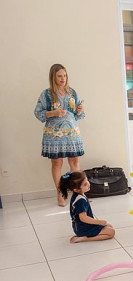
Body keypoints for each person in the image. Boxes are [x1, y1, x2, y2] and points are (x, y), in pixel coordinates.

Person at [34, 64, 86, 207]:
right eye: (59, 76)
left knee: (75, 162)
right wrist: (54, 113)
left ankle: (78, 194)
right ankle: (60, 193)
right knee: (57, 163)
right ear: (53, 77)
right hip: (54, 135)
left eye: (65, 75)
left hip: (72, 133)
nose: (63, 79)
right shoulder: (46, 94)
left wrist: (80, 110)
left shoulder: (72, 92)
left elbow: (77, 115)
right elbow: (38, 112)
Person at [58, 171, 115, 243]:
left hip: (84, 226)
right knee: (111, 232)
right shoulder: (80, 201)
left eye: (87, 180)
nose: (88, 184)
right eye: (85, 184)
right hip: (83, 228)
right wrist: (99, 222)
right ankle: (85, 238)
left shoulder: (78, 195)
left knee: (110, 226)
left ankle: (86, 235)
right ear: (76, 189)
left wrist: (87, 202)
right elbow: (83, 218)